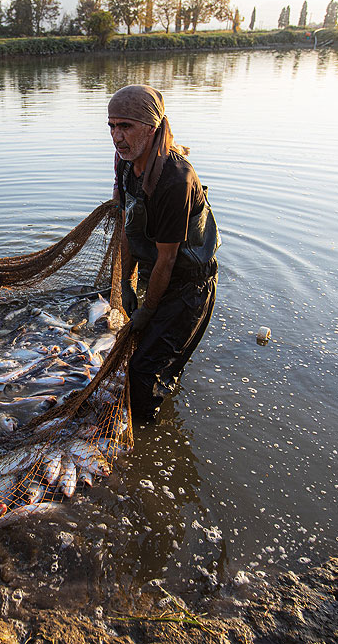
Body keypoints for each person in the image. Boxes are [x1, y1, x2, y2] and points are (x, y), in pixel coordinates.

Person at [109, 85, 220, 424]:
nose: (117, 136)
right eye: (112, 126)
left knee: (143, 374)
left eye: (125, 126)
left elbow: (169, 259)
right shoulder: (126, 164)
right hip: (154, 274)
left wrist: (149, 310)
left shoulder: (175, 180)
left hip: (188, 288)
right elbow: (127, 228)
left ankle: (150, 431)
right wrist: (126, 283)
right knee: (149, 358)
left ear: (151, 127)